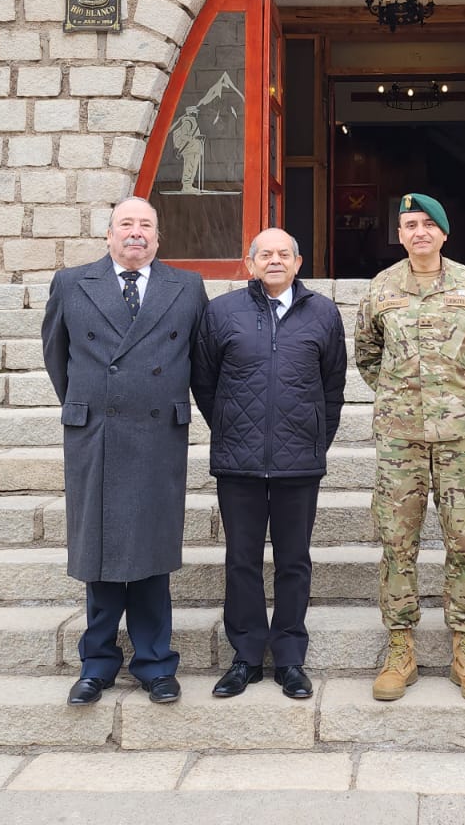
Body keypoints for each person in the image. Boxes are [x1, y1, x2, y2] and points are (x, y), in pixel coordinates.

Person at [41, 195, 208, 707]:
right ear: (109, 235)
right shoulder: (72, 283)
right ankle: (97, 664)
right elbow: (57, 358)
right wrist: (90, 405)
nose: (136, 233)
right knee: (99, 550)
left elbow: (201, 359)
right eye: (126, 224)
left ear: (158, 238)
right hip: (98, 432)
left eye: (146, 226)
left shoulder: (187, 286)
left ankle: (156, 664)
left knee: (153, 552)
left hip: (158, 434)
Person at [191, 228, 346, 701]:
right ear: (249, 263)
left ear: (299, 263)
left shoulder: (322, 312)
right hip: (238, 461)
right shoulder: (222, 312)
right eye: (265, 254)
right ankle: (245, 657)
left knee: (294, 560)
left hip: (299, 461)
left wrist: (315, 440)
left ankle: (290, 658)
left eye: (284, 254)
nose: (275, 260)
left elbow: (333, 386)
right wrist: (231, 428)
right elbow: (204, 381)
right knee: (241, 560)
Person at [356, 193, 465, 703]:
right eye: (408, 224)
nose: (418, 232)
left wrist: (451, 395)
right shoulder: (381, 288)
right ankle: (401, 648)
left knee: (464, 542)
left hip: (458, 438)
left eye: (427, 224)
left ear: (443, 233)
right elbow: (367, 356)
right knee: (397, 543)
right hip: (400, 440)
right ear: (400, 234)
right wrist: (403, 398)